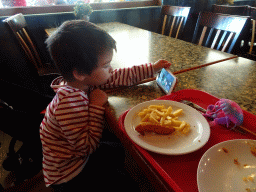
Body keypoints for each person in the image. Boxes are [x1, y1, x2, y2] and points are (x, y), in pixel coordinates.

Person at [40, 20, 172, 192]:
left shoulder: (82, 81)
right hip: (69, 172)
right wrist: (95, 107)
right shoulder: (68, 104)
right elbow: (86, 147)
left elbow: (117, 76)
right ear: (80, 73)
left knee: (117, 149)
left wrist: (151, 68)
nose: (111, 69)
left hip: (78, 150)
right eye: (106, 65)